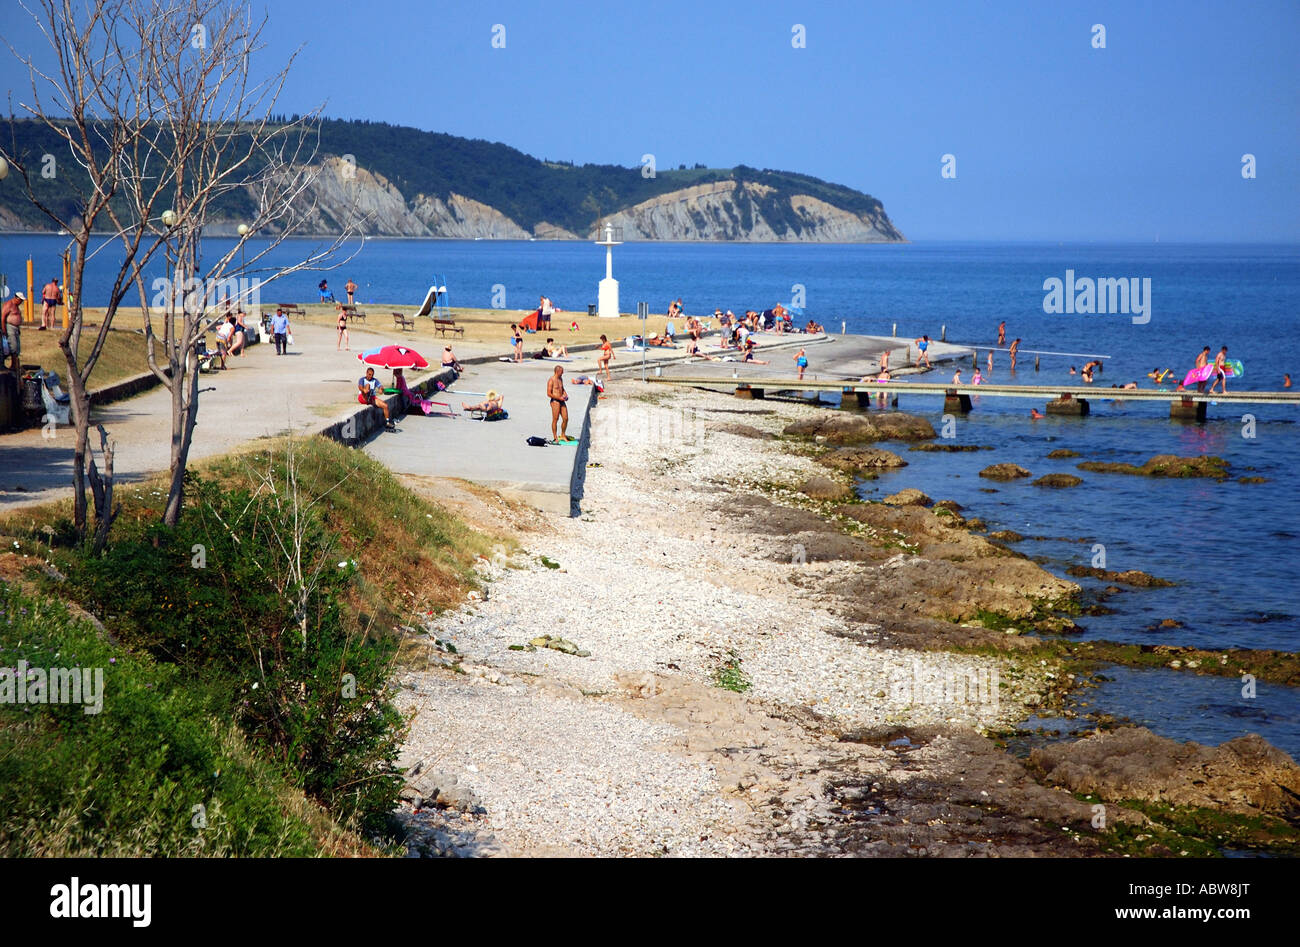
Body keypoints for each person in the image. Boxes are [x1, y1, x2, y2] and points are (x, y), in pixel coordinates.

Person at [547, 365, 570, 443]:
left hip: (561, 400)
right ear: (557, 371)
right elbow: (548, 393)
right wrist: (558, 398)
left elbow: (562, 388)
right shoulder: (551, 380)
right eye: (562, 371)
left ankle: (563, 435)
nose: (563, 373)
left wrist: (565, 394)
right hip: (555, 401)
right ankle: (555, 437)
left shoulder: (560, 379)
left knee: (566, 418)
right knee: (555, 419)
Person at [3, 292, 23, 372]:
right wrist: (4, 330)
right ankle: (13, 365)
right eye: (20, 300)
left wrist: (18, 329)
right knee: (13, 347)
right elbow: (3, 317)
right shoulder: (9, 305)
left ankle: (14, 365)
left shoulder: (16, 306)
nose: (21, 302)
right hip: (9, 328)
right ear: (16, 298)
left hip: (15, 328)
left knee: (17, 348)